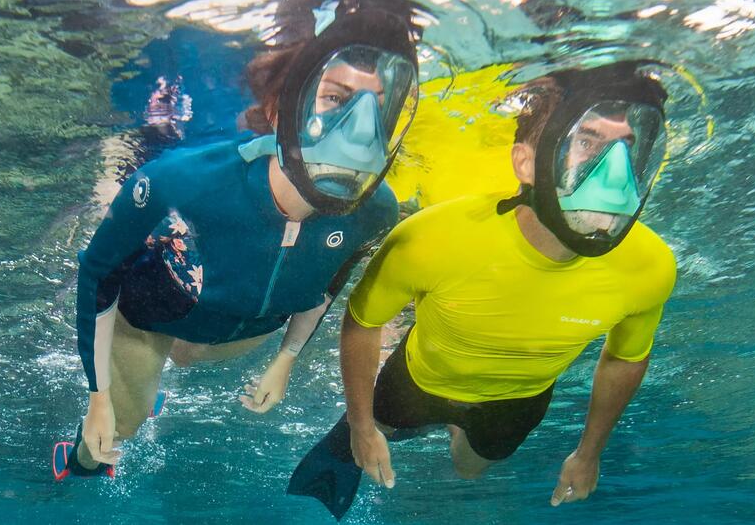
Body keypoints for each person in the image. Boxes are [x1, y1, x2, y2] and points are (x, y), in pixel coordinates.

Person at [52, 0, 423, 481]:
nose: (358, 133)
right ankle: (74, 459)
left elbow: (328, 284)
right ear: (280, 109)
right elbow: (98, 269)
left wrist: (287, 358)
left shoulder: (375, 210)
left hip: (238, 335)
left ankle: (150, 382)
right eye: (334, 99)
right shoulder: (184, 179)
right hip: (151, 315)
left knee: (189, 355)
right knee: (113, 436)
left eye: (378, 109)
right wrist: (99, 396)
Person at [288, 61, 679, 518]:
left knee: (469, 469)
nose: (613, 173)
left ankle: (451, 431)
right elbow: (363, 321)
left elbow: (626, 357)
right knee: (378, 428)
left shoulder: (650, 265)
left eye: (625, 149)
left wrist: (588, 452)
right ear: (525, 162)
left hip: (516, 402)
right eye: (587, 140)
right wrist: (359, 426)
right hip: (416, 379)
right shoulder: (429, 237)